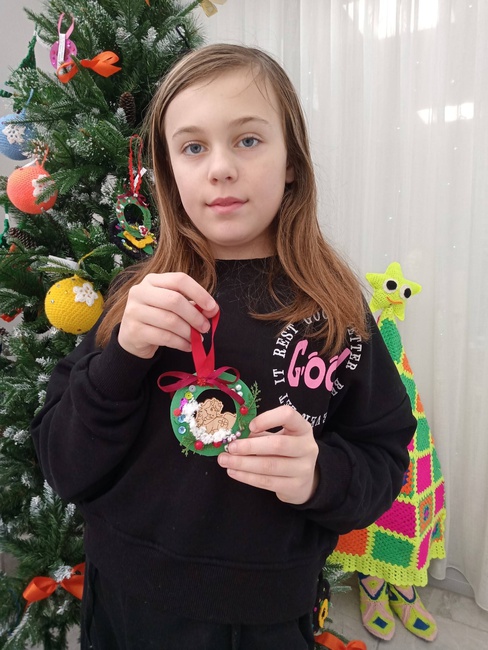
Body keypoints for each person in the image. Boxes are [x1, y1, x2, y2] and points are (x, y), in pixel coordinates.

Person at [30, 44, 416, 650]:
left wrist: (319, 474)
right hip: (123, 603)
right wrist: (122, 357)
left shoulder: (334, 309)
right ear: (169, 172)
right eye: (193, 147)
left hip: (264, 615)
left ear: (292, 162)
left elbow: (383, 452)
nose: (220, 168)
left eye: (248, 140)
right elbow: (63, 465)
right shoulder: (138, 300)